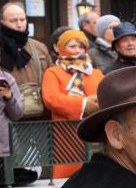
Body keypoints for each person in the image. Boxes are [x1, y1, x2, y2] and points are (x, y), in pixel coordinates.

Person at [42, 29, 104, 178]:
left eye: (81, 47)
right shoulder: (53, 72)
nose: (77, 50)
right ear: (61, 48)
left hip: (94, 134)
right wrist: (83, 104)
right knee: (67, 179)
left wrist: (96, 105)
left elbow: (105, 96)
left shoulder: (96, 73)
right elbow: (51, 98)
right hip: (66, 135)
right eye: (72, 46)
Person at [0, 2, 51, 118]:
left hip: (41, 115)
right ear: (3, 23)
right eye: (13, 21)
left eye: (22, 19)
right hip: (7, 115)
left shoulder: (39, 47)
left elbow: (51, 80)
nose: (19, 24)